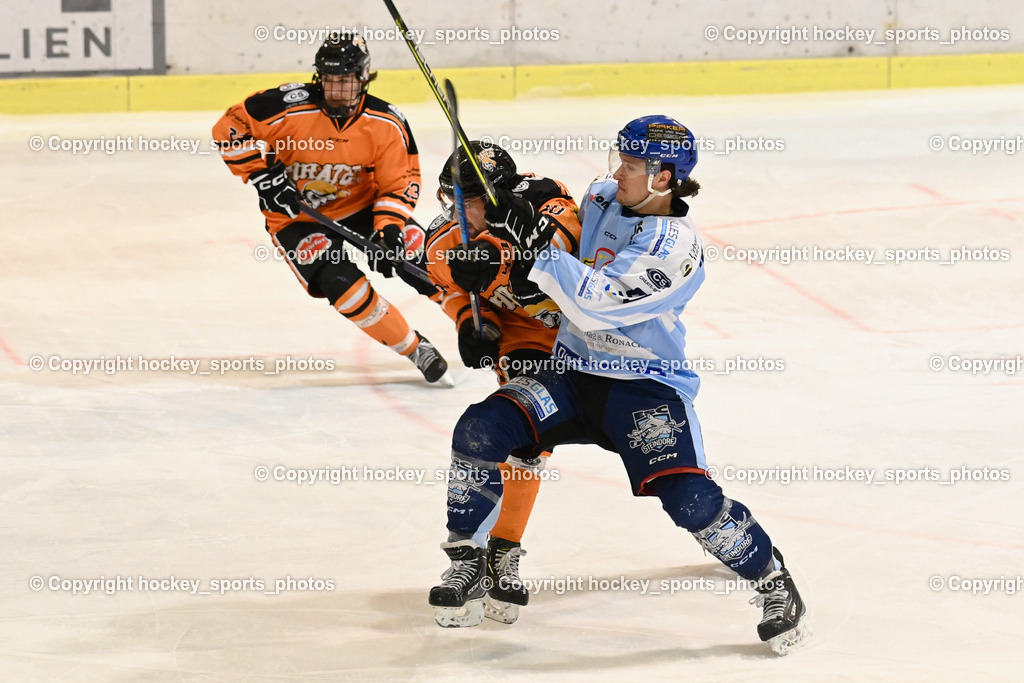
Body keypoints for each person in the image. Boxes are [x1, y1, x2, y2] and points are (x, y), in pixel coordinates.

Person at [428, 116, 809, 655]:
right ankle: (468, 559)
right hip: (569, 376)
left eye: (630, 165)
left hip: (642, 389)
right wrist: (501, 203)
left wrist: (533, 244)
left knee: (689, 500)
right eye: (619, 159)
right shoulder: (604, 197)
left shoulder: (675, 248)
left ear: (664, 177)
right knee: (480, 429)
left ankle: (772, 581)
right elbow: (553, 213)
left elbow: (594, 304)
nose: (616, 173)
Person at [211, 31, 448, 383]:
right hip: (296, 218)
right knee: (340, 283)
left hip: (362, 205)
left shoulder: (386, 122)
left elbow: (398, 183)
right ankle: (414, 347)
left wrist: (389, 229)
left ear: (364, 78)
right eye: (329, 80)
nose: (336, 90)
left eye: (345, 81)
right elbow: (228, 129)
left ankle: (479, 324)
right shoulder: (285, 106)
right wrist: (263, 176)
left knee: (418, 255)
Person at [424, 141, 582, 623]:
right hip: (526, 339)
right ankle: (491, 554)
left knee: (656, 448)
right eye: (452, 199)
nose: (459, 212)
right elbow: (447, 290)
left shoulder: (546, 201)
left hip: (591, 337)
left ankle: (725, 527)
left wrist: (506, 255)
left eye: (470, 200)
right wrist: (471, 324)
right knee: (524, 441)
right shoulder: (443, 241)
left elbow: (565, 250)